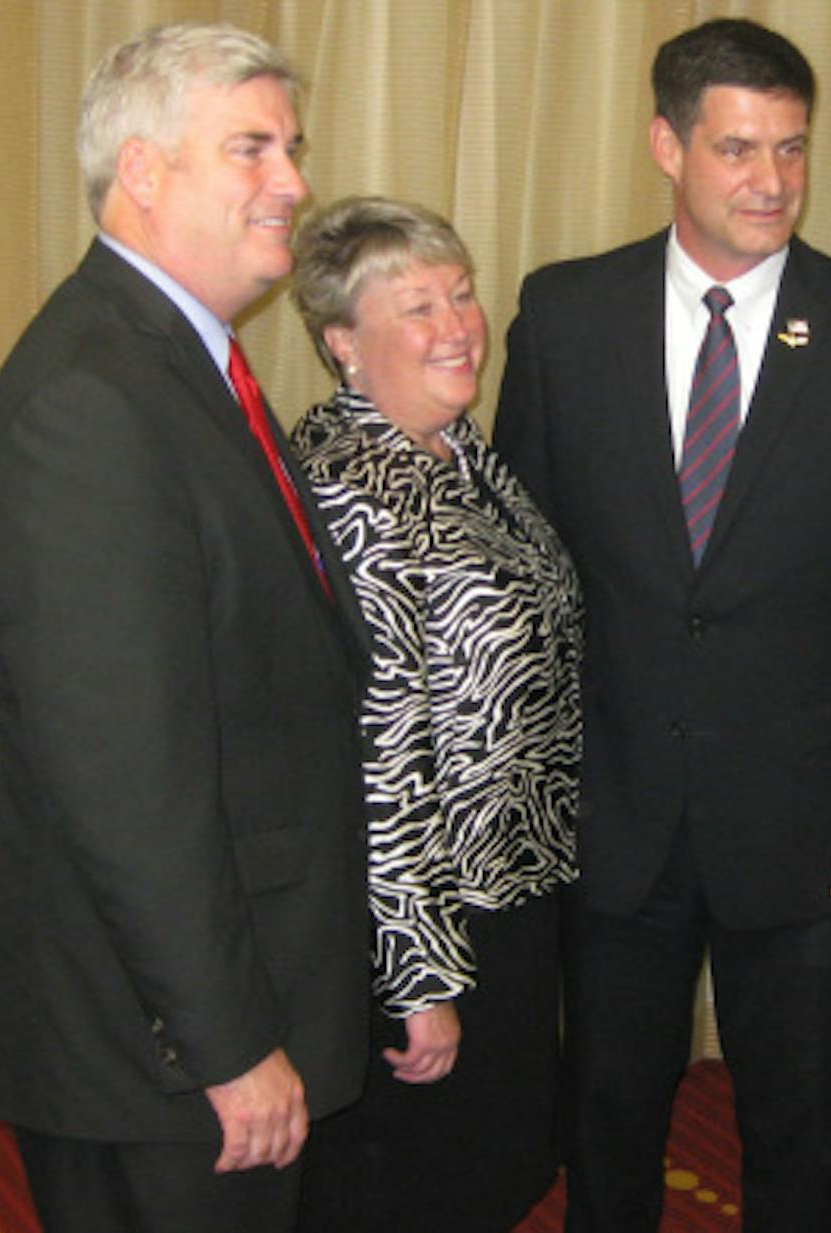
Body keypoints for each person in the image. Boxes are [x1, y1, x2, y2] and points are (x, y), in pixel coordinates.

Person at [495, 18, 831, 1232]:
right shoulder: (563, 317)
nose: (770, 183)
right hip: (614, 818)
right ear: (666, 144)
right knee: (603, 1120)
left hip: (810, 831)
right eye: (738, 150)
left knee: (799, 1130)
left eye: (793, 151)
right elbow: (524, 585)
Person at [0, 22, 371, 1233]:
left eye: (290, 148)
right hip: (160, 1058)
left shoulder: (179, 367)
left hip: (199, 1025)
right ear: (140, 171)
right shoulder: (91, 402)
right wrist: (230, 1045)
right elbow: (126, 779)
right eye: (250, 149)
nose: (293, 182)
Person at [286, 196, 582, 1232]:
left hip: (502, 886)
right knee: (410, 1185)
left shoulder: (456, 451)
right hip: (421, 914)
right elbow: (380, 753)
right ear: (340, 343)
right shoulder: (351, 481)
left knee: (490, 1166)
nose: (457, 325)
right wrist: (416, 977)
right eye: (416, 306)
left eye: (459, 295)